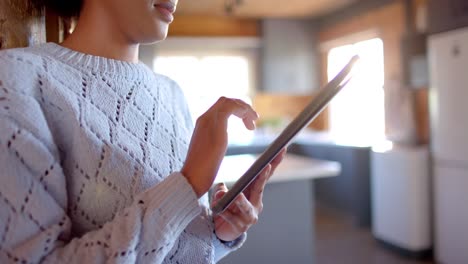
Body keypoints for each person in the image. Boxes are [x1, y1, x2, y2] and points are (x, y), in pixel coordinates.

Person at [0, 0, 286, 263]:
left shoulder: (173, 93)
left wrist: (218, 231)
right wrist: (188, 183)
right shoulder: (18, 79)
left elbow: (182, 250)